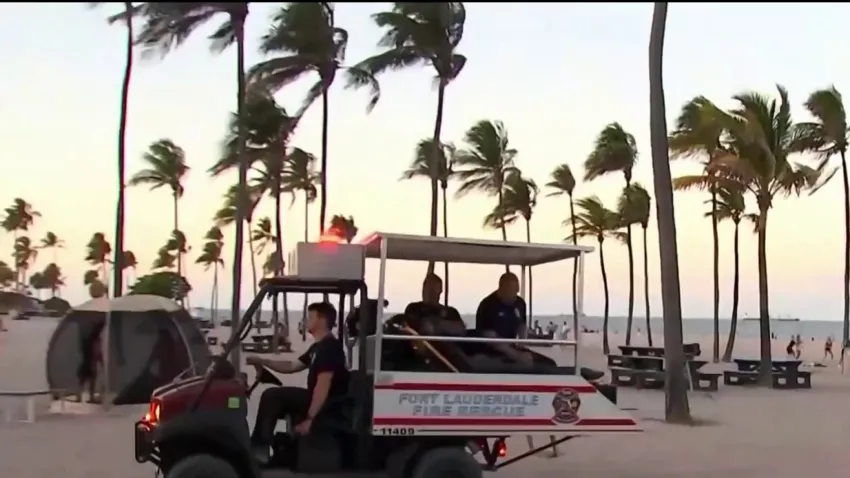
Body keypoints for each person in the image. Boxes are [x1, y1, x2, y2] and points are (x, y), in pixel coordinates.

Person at [246, 302, 348, 464]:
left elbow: (323, 385)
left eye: (310, 317)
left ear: (321, 320)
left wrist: (310, 419)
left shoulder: (330, 348)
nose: (306, 321)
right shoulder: (318, 347)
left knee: (272, 395)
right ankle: (267, 446)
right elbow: (292, 366)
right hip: (320, 398)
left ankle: (260, 447)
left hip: (328, 403)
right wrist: (262, 360)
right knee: (274, 396)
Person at [475, 272, 532, 364]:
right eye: (511, 291)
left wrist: (521, 345)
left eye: (516, 291)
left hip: (512, 349)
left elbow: (522, 325)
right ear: (501, 288)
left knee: (547, 363)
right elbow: (491, 339)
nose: (515, 295)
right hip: (489, 352)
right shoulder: (487, 305)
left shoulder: (520, 303)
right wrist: (517, 355)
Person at [77, 320, 105, 403]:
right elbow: (98, 353)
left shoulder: (89, 339)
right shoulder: (96, 341)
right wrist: (101, 362)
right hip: (91, 361)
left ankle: (79, 397)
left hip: (86, 361)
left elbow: (85, 351)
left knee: (84, 379)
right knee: (91, 379)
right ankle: (90, 397)